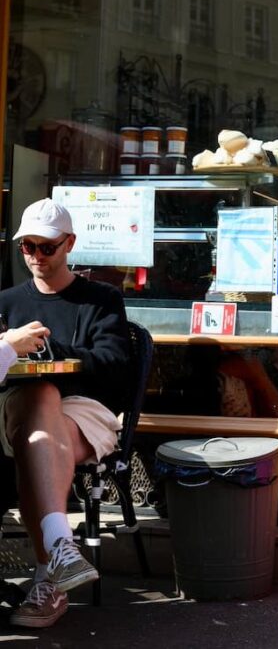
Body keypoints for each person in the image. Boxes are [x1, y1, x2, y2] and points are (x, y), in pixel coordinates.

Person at [0, 198, 131, 628]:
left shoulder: (101, 299)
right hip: (16, 408)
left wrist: (58, 353)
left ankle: (48, 574)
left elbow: (115, 364)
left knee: (36, 425)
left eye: (46, 247)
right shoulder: (6, 301)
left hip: (84, 412)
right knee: (37, 399)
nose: (36, 256)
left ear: (69, 243)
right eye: (27, 247)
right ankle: (58, 554)